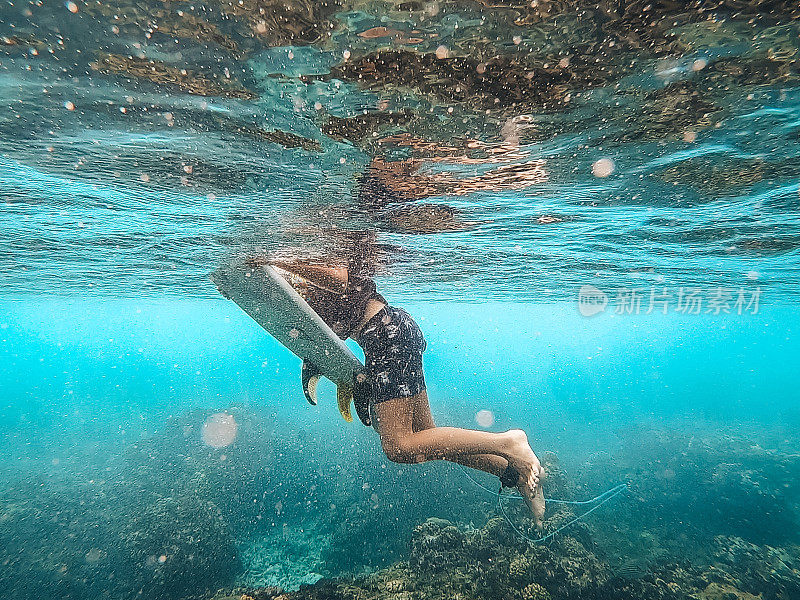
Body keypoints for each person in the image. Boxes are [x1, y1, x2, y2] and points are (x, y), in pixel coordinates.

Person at [267, 231, 546, 525]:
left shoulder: (315, 246)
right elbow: (319, 334)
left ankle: (509, 443)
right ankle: (513, 473)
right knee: (427, 435)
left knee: (399, 447)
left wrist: (277, 259)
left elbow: (339, 277)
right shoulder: (302, 278)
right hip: (393, 328)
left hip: (385, 334)